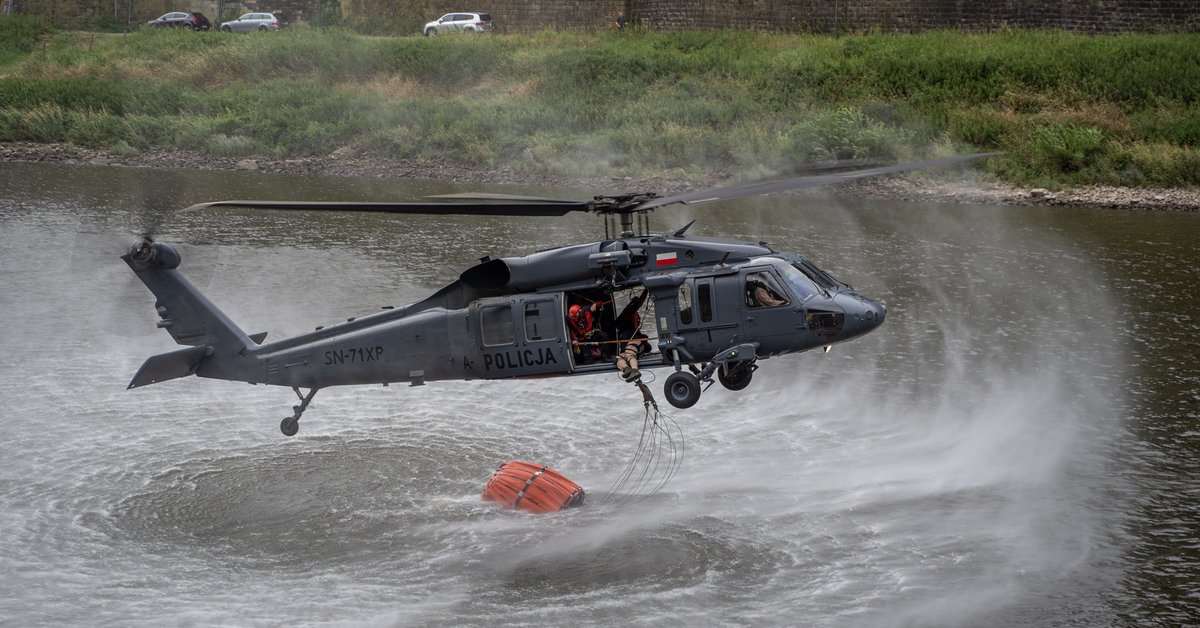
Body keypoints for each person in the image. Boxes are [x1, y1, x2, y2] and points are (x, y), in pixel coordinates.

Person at [613, 289, 650, 381]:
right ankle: (627, 369)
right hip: (629, 341)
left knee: (629, 354)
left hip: (633, 342)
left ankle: (634, 370)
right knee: (618, 358)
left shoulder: (628, 316)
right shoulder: (627, 314)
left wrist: (646, 290)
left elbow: (639, 303)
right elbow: (637, 304)